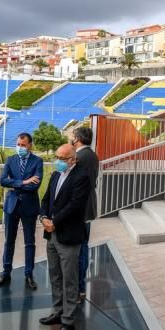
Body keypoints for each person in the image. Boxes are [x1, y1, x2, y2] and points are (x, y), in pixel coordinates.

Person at [39, 143, 90, 330]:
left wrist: (54, 221)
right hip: (51, 234)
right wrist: (43, 217)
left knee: (70, 279)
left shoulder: (81, 177)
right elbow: (45, 199)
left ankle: (68, 321)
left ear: (72, 159)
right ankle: (57, 312)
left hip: (68, 235)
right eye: (57, 157)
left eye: (62, 158)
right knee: (55, 275)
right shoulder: (55, 175)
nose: (58, 161)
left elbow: (75, 205)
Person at [0, 133, 43, 290]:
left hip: (29, 206)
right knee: (9, 240)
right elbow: (3, 180)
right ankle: (6, 271)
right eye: (18, 144)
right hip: (12, 205)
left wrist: (15, 184)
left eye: (23, 145)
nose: (20, 147)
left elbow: (34, 185)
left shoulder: (38, 161)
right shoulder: (11, 160)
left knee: (29, 242)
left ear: (30, 145)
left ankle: (29, 274)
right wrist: (24, 182)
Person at [71, 126, 99, 302]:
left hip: (80, 210)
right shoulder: (92, 155)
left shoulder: (79, 157)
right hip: (88, 208)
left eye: (73, 137)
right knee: (83, 246)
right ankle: (79, 287)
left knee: (80, 249)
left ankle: (79, 288)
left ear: (78, 139)